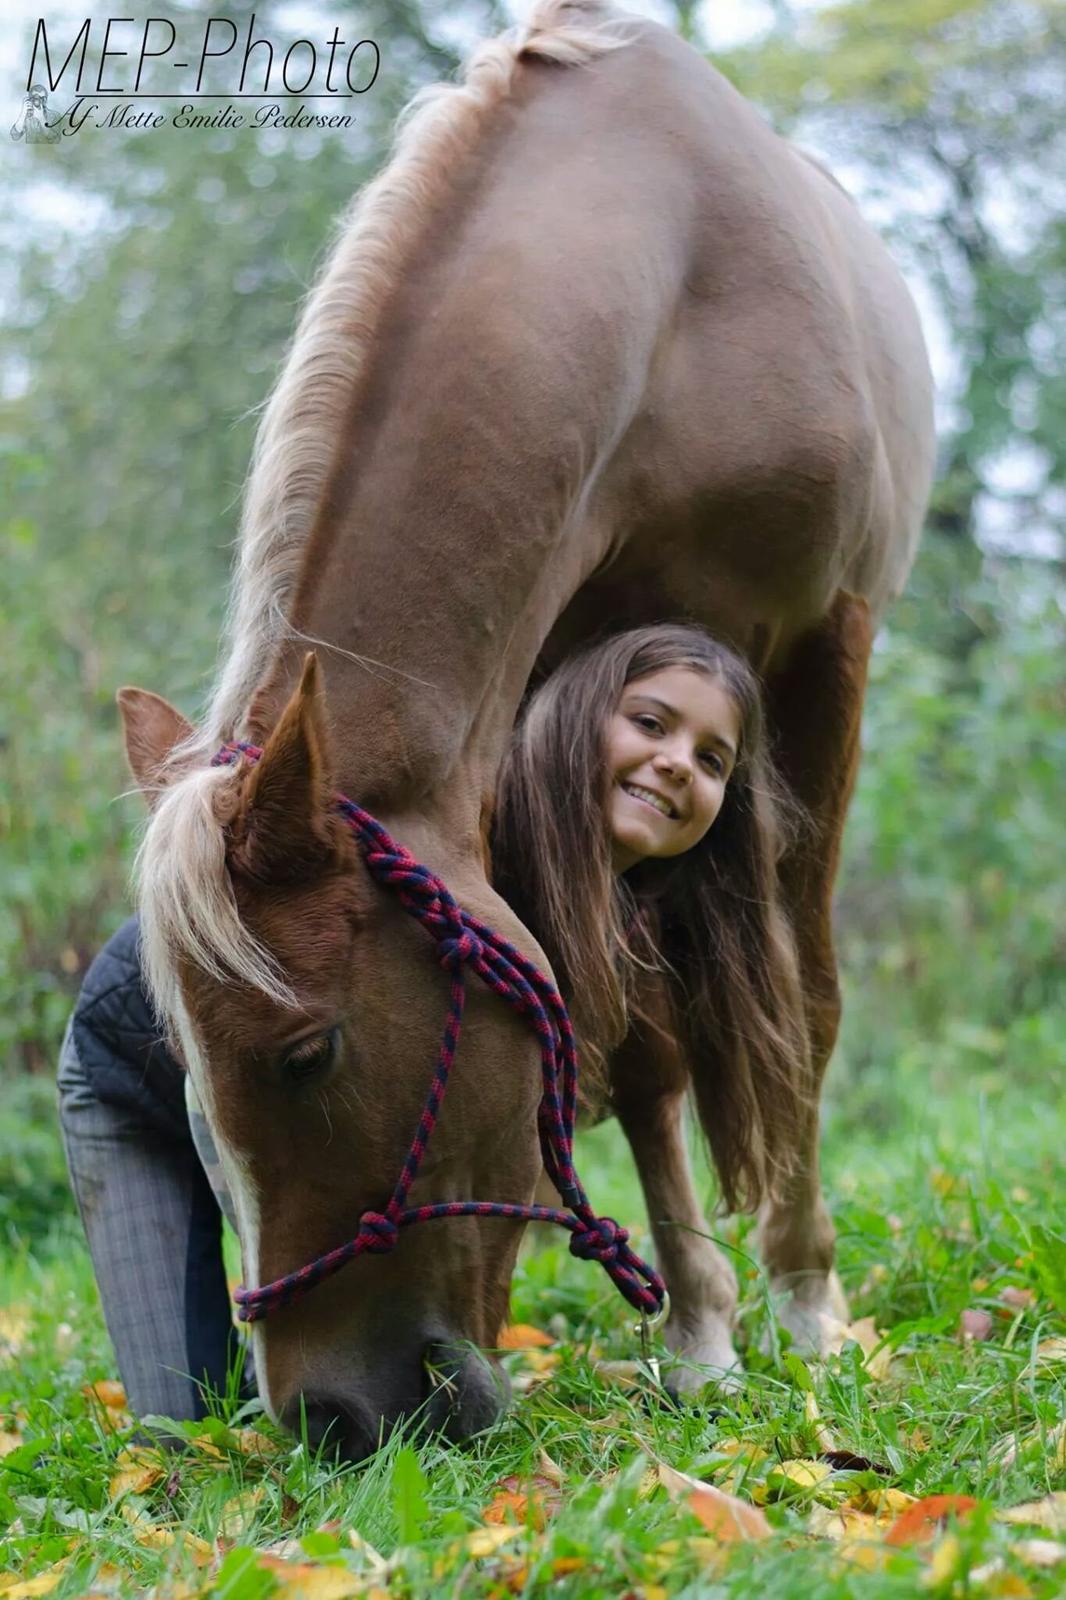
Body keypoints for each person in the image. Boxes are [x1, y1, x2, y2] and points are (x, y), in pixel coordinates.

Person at [58, 622, 806, 1419]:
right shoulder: (457, 868)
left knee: (351, 1381)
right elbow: (271, 1140)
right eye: (651, 724)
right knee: (189, 1421)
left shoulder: (616, 910)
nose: (675, 762)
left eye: (711, 759)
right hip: (152, 1078)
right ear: (577, 713)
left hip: (288, 1091)